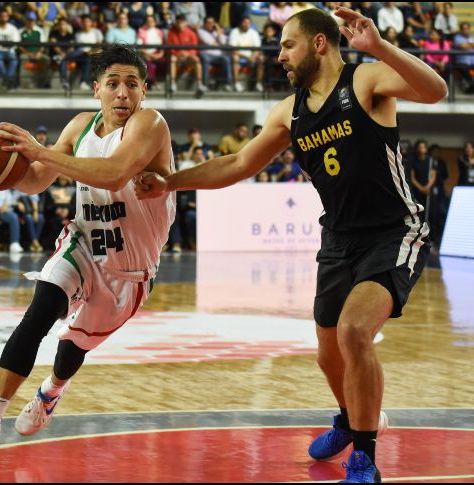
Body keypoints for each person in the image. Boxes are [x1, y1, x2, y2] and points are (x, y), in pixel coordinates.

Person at [135, 7, 446, 483]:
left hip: (394, 231)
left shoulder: (366, 82)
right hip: (339, 237)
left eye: (287, 44)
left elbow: (435, 91)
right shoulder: (289, 111)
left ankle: (364, 456)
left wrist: (380, 47)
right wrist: (170, 182)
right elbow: (238, 163)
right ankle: (349, 417)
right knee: (328, 354)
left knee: (354, 332)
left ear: (319, 43)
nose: (279, 54)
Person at [0, 45, 176, 466]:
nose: (122, 94)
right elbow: (39, 180)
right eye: (112, 83)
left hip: (129, 272)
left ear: (145, 91)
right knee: (38, 314)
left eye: (132, 84)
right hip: (81, 243)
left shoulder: (151, 125)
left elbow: (113, 171)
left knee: (71, 350)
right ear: (97, 89)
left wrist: (40, 150)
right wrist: (6, 170)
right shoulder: (80, 126)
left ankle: (52, 391)